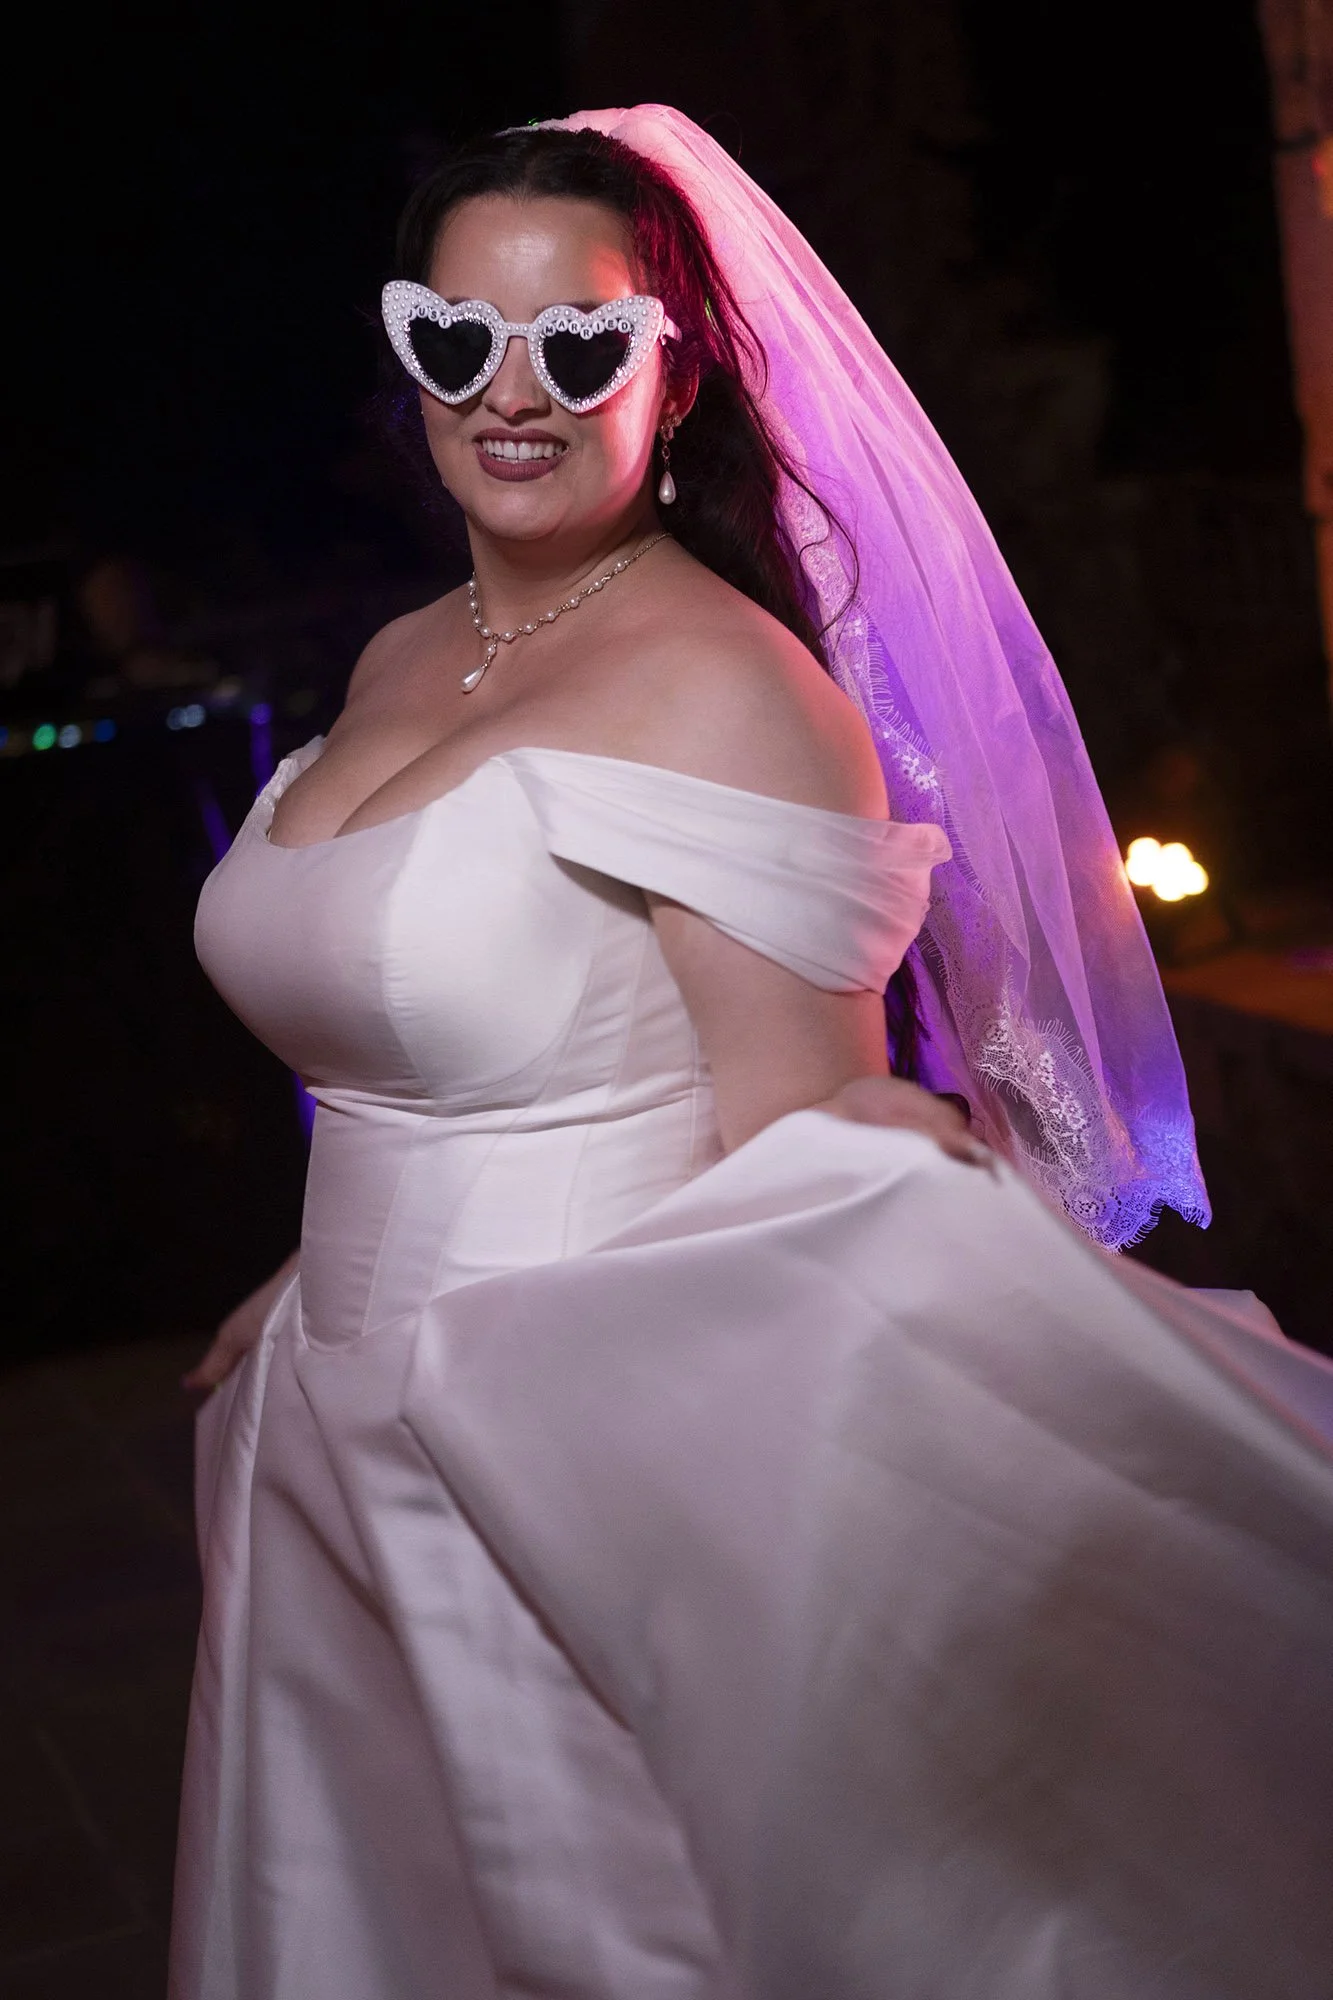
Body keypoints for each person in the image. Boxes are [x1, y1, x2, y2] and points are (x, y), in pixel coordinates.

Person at [171, 107, 1333, 2000]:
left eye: (582, 341)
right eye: (460, 339)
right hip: (329, 1428)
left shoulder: (727, 684)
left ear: (677, 363)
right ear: (407, 355)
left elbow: (792, 1134)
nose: (514, 391)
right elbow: (458, 1034)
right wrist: (329, 1265)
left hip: (567, 1444)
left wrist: (935, 1199)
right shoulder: (405, 654)